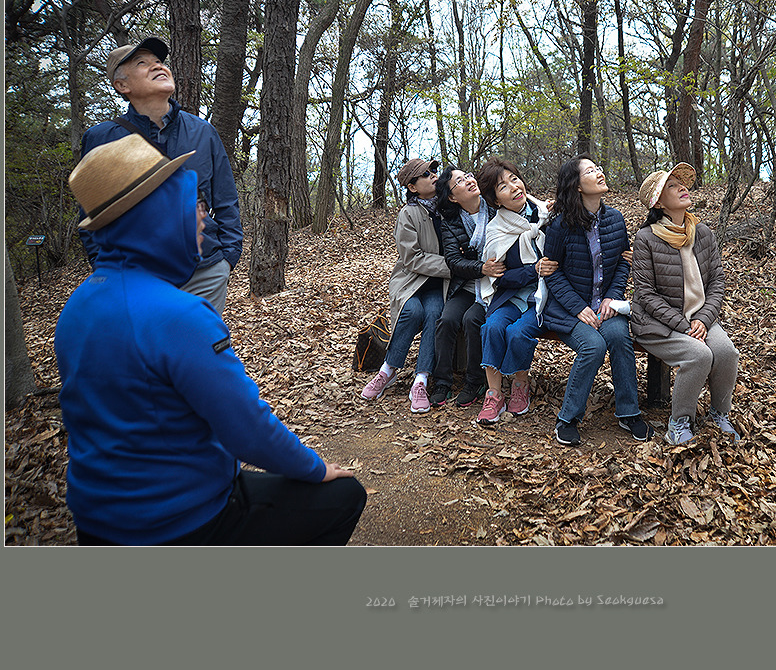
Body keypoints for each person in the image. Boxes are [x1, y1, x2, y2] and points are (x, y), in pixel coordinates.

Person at [55, 134, 366, 545]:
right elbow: (246, 430)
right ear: (159, 218)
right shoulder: (177, 316)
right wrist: (315, 468)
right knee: (345, 495)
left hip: (99, 521)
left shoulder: (78, 305)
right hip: (181, 522)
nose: (204, 220)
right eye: (191, 205)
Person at [78, 37, 242, 316]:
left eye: (159, 61)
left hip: (204, 271)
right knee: (153, 343)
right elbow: (91, 214)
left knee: (199, 342)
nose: (158, 66)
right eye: (142, 63)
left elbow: (226, 199)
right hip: (137, 277)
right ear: (122, 85)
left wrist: (227, 258)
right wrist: (104, 266)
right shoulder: (101, 138)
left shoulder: (203, 131)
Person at [542, 156, 652, 446]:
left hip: (606, 305)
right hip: (567, 309)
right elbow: (552, 273)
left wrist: (612, 298)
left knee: (618, 337)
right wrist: (578, 308)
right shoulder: (560, 225)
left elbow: (623, 262)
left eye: (599, 168)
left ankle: (629, 413)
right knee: (593, 346)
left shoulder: (615, 219)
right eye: (590, 171)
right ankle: (568, 419)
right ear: (577, 186)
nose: (599, 173)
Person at [630, 162, 740, 445]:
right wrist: (684, 325)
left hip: (700, 318)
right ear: (658, 203)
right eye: (672, 186)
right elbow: (646, 294)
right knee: (699, 355)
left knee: (726, 352)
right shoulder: (646, 238)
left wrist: (703, 319)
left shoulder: (702, 232)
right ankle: (678, 423)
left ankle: (719, 414)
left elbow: (717, 281)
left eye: (682, 183)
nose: (682, 188)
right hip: (656, 324)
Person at [360, 158, 450, 413]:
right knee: (412, 311)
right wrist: (452, 265)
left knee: (434, 313)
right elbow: (412, 258)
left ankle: (421, 380)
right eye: (426, 174)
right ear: (412, 187)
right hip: (411, 281)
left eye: (434, 170)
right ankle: (387, 370)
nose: (433, 175)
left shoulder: (448, 205)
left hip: (439, 284)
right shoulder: (408, 214)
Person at [474, 159, 558, 426]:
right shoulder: (496, 230)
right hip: (511, 296)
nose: (513, 187)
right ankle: (494, 394)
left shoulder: (546, 214)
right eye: (502, 186)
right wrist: (533, 270)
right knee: (492, 327)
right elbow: (500, 278)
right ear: (495, 200)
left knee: (518, 332)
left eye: (514, 179)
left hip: (545, 297)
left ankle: (520, 384)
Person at [430, 166, 503, 408]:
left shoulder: (495, 208)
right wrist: (481, 267)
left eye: (468, 176)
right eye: (460, 181)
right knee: (447, 320)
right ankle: (442, 382)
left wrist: (480, 266)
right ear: (452, 197)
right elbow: (453, 261)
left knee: (473, 319)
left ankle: (475, 381)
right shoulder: (451, 223)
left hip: (494, 287)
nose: (469, 181)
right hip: (467, 285)